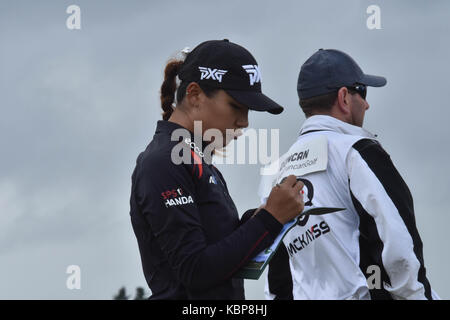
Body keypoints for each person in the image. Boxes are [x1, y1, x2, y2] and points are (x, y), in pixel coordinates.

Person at [129, 39, 305, 300]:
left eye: (248, 110)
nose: (244, 122)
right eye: (236, 106)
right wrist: (270, 219)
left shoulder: (194, 158)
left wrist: (258, 220)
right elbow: (195, 270)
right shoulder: (163, 162)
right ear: (195, 94)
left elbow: (219, 255)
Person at [260, 49, 439, 300]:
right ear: (344, 97)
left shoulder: (274, 173)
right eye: (362, 92)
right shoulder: (356, 151)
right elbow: (398, 248)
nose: (367, 103)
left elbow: (275, 275)